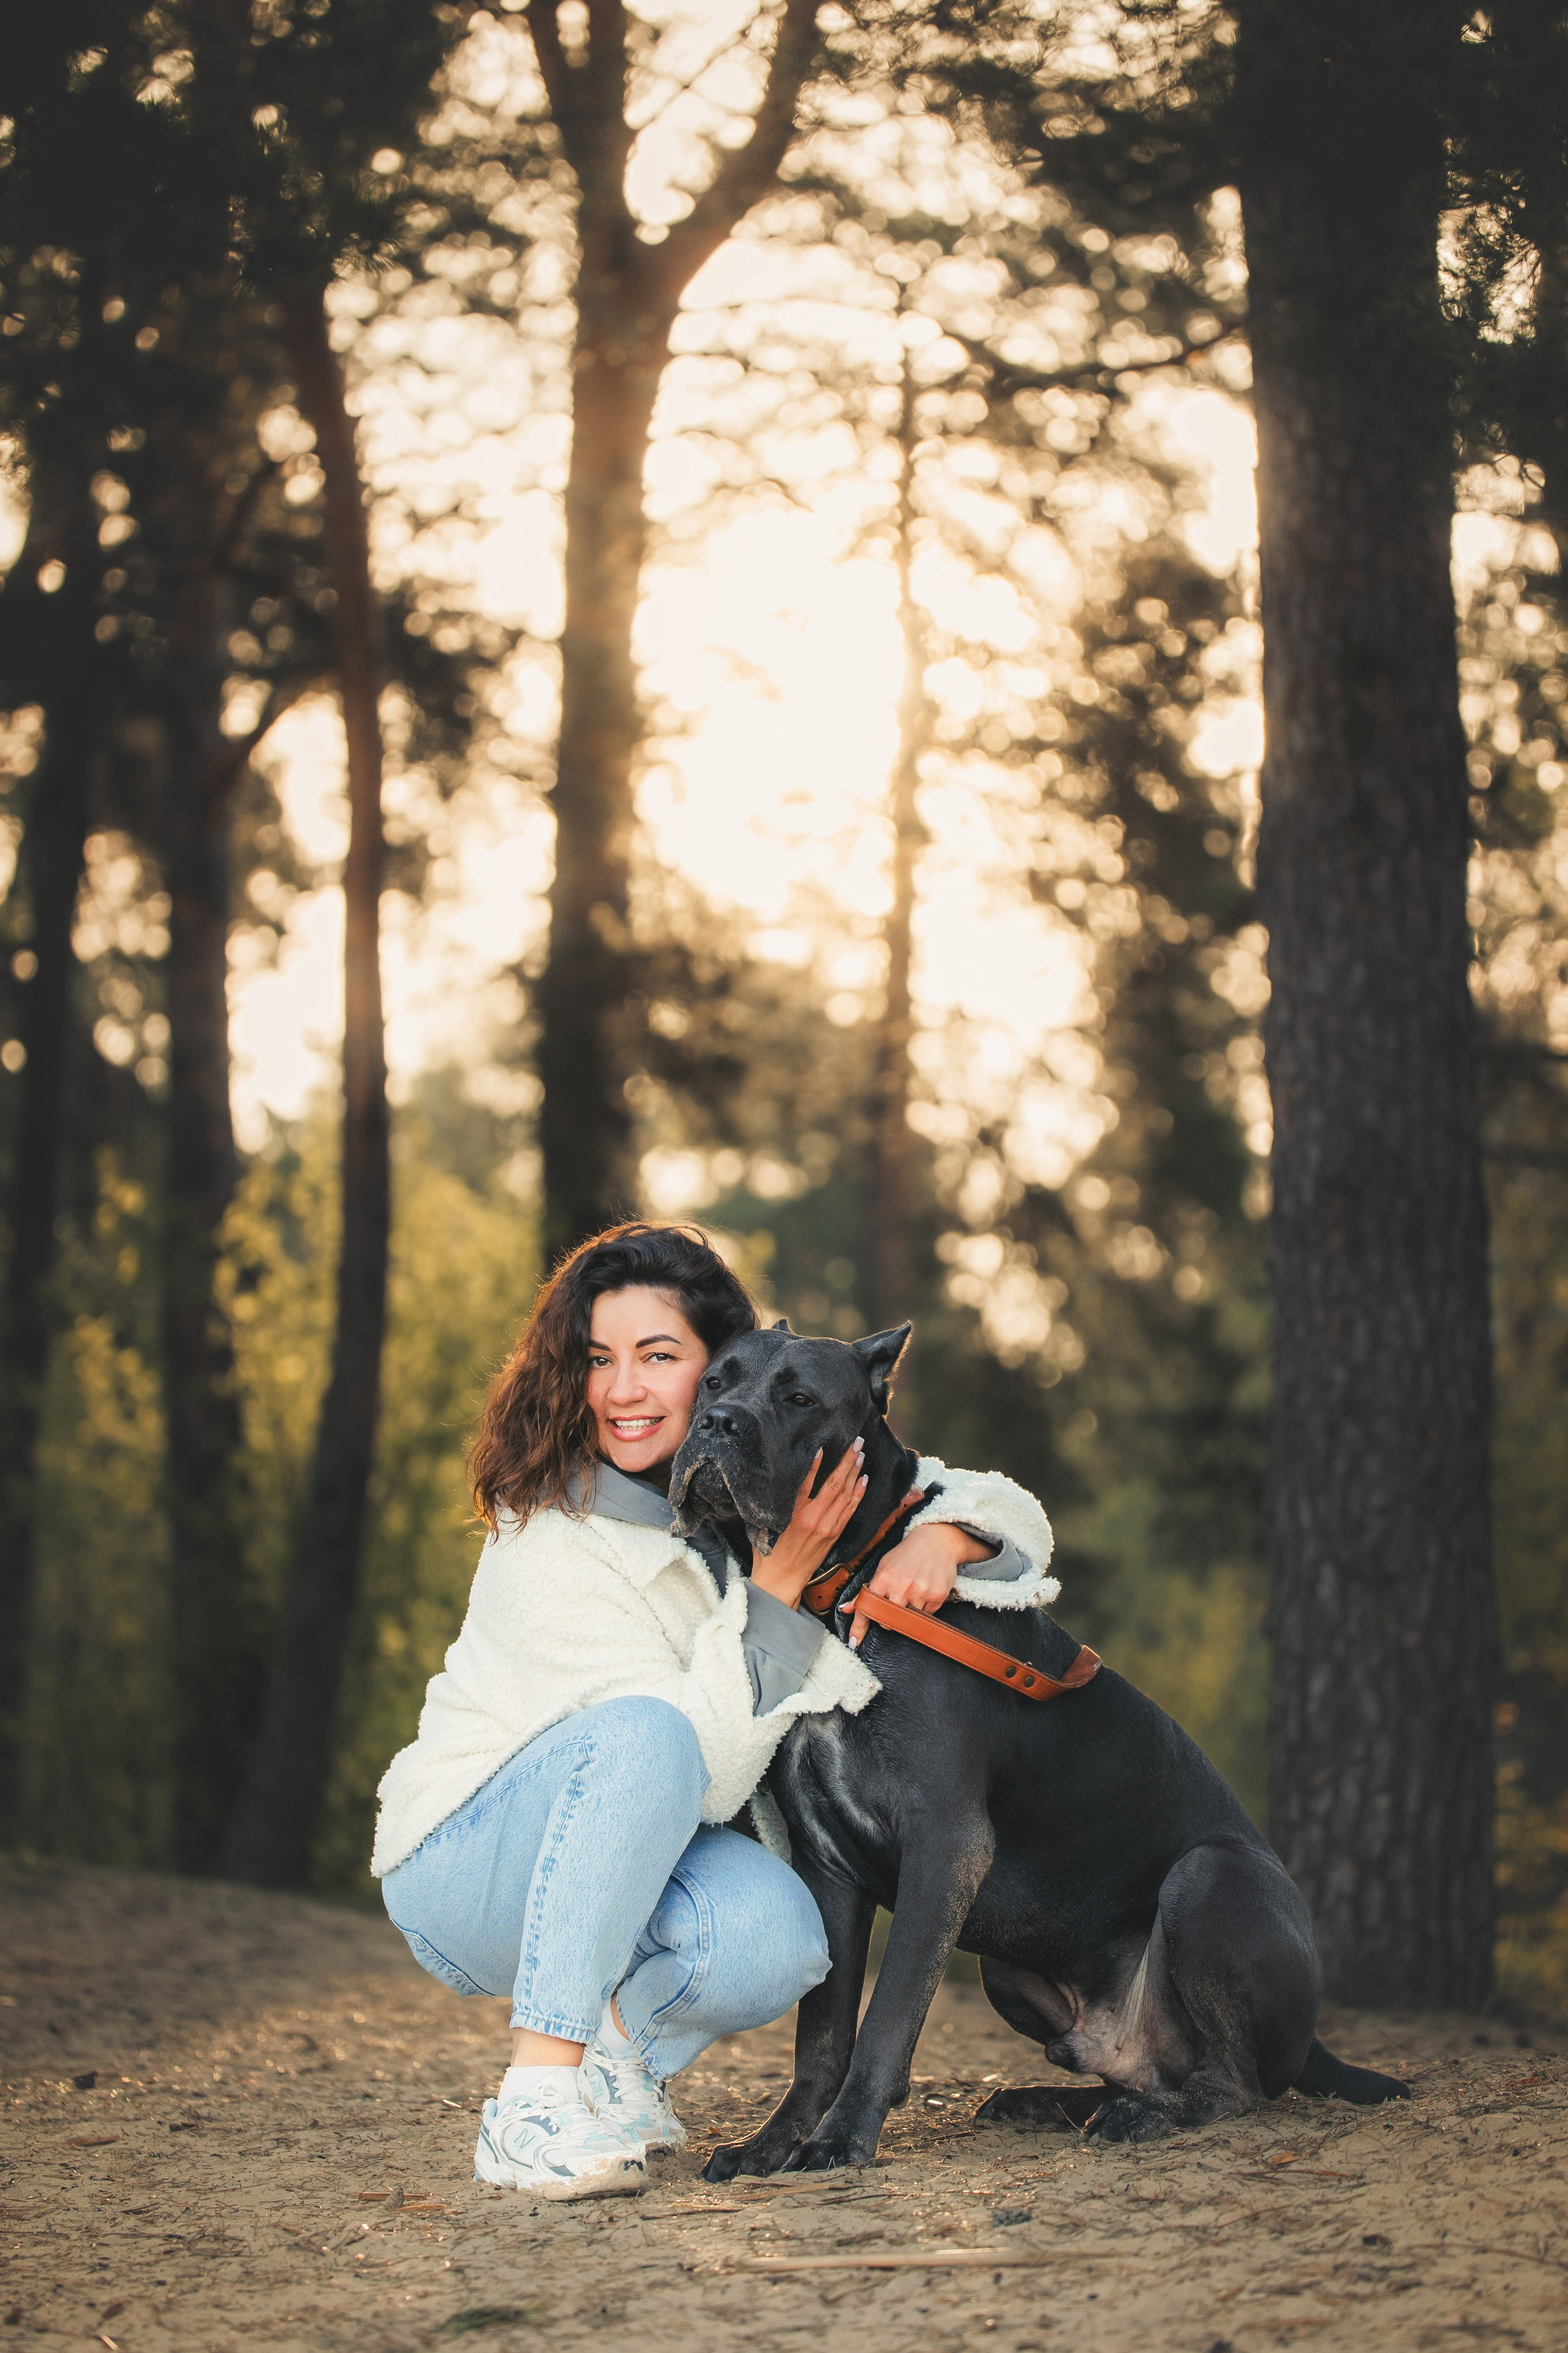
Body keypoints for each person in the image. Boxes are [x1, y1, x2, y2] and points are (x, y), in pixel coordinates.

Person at [372, 1223, 1055, 2200]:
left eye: (659, 1357)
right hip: (471, 1865)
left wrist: (946, 1537)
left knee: (783, 1935)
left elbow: (1003, 1507)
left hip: (624, 1857)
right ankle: (535, 2098)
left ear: (721, 1366)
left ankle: (619, 2061)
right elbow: (691, 1765)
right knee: (651, 1731)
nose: (622, 1390)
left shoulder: (744, 1487)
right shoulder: (554, 1539)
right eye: (599, 1360)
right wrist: (775, 1595)